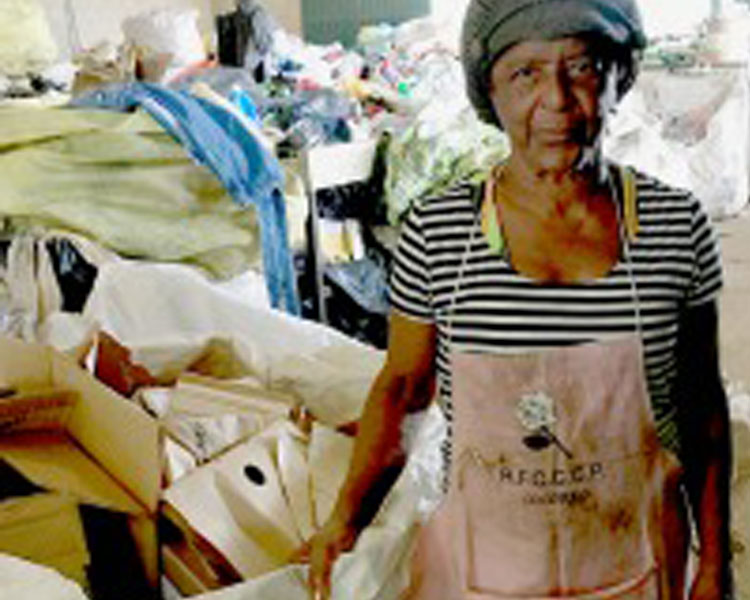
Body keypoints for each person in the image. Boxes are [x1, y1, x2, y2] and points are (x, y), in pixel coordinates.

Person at [299, 1, 733, 598]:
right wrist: (345, 520)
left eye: (581, 67)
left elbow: (702, 407)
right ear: (491, 94)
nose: (556, 100)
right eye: (525, 73)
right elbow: (403, 390)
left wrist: (715, 562)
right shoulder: (437, 231)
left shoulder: (675, 225)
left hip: (637, 566)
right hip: (485, 575)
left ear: (619, 76)